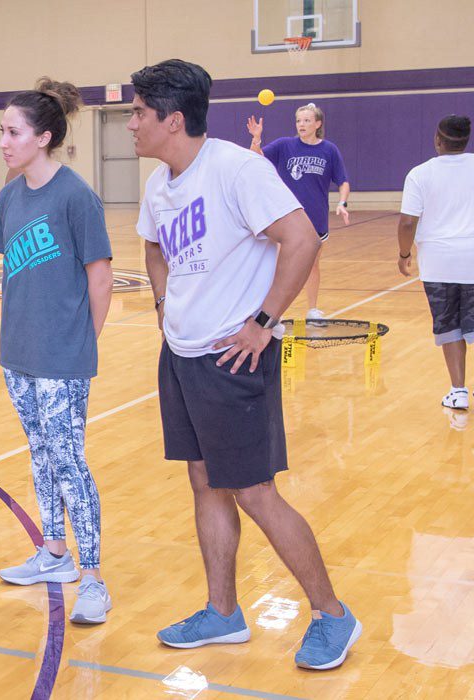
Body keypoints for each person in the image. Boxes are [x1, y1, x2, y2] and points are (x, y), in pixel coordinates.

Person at [129, 58, 361, 670]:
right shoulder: (159, 184)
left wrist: (263, 322)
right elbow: (152, 245)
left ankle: (332, 614)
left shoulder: (237, 169)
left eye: (138, 114)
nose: (130, 124)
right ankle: (224, 614)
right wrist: (161, 301)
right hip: (181, 354)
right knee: (205, 482)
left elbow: (303, 238)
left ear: (172, 121)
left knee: (254, 492)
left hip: (233, 359)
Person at [0, 78, 116, 625]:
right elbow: (3, 251)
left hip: (63, 356)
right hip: (17, 351)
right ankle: (54, 555)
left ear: (43, 137)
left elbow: (101, 278)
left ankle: (94, 579)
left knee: (69, 461)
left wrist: (83, 342)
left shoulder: (77, 196)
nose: (3, 142)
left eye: (12, 132)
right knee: (40, 454)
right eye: (1, 131)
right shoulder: (11, 195)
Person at [396, 115, 474, 412]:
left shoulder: (419, 173)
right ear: (465, 141)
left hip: (438, 265)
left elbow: (406, 222)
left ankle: (458, 391)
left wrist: (404, 254)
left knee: (448, 324)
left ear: (438, 140)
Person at [248, 103, 350, 322]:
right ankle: (268, 313)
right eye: (298, 121)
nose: (302, 124)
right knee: (278, 266)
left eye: (306, 120)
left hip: (316, 218)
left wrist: (342, 203)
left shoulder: (329, 150)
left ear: (318, 124)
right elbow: (255, 158)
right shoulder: (285, 146)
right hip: (287, 217)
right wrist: (256, 139)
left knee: (312, 265)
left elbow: (343, 182)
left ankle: (313, 310)